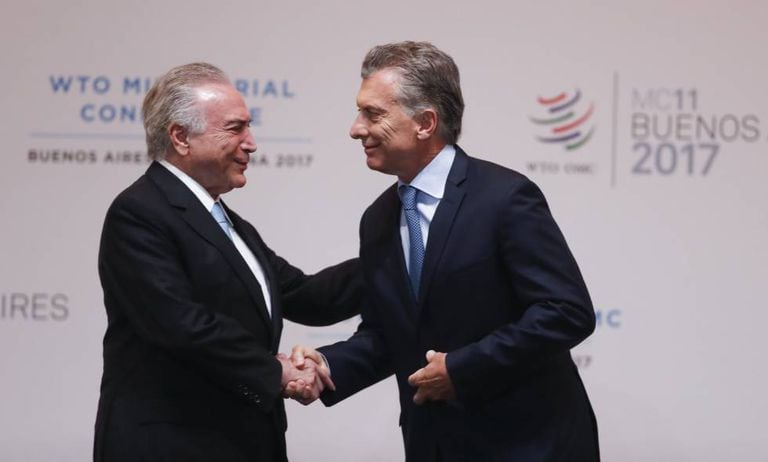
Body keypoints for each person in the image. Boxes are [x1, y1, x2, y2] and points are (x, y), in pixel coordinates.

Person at [290, 41, 600, 461]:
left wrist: (461, 368)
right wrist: (327, 367)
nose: (356, 129)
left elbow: (566, 312)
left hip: (527, 445)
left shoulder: (504, 198)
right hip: (434, 445)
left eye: (373, 114)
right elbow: (390, 333)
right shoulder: (378, 218)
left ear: (425, 122)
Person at [94, 62, 359, 462]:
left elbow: (307, 296)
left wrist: (397, 255)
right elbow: (182, 325)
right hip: (173, 445)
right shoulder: (139, 213)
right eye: (235, 128)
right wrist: (277, 372)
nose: (251, 143)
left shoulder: (228, 223)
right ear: (181, 137)